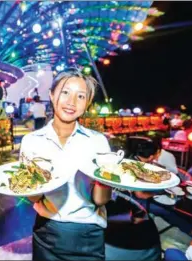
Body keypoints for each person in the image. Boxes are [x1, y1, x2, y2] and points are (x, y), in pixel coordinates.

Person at [20, 68, 112, 260]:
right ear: (52, 95)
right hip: (47, 230)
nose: (71, 102)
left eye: (80, 96)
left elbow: (100, 200)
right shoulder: (32, 141)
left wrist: (106, 175)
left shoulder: (97, 141)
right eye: (65, 92)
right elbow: (34, 198)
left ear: (86, 104)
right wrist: (36, 179)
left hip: (88, 234)